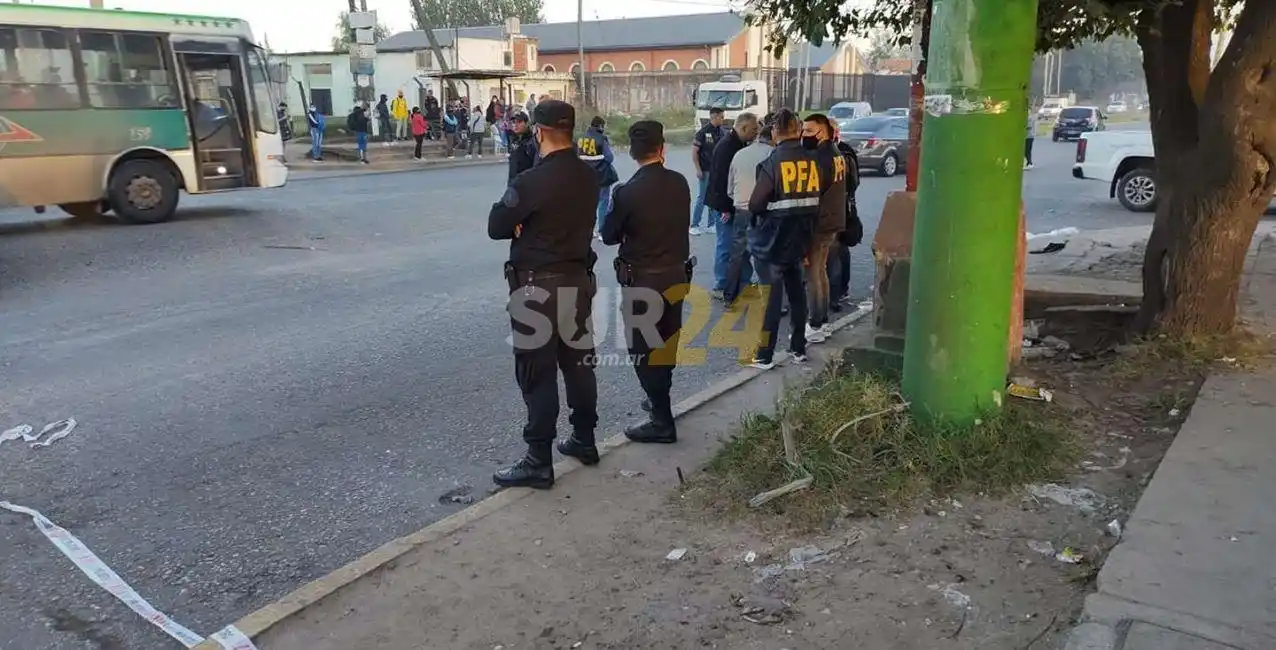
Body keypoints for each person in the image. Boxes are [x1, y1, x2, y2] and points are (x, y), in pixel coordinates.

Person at [487, 99, 600, 489]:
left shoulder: (531, 181)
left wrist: (521, 223)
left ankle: (538, 459)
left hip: (537, 289)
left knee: (537, 373)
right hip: (578, 282)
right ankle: (584, 439)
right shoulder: (588, 176)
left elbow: (497, 224)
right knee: (579, 365)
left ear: (539, 132)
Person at [600, 120, 692, 444]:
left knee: (643, 350)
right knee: (666, 344)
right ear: (662, 148)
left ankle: (661, 421)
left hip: (643, 282)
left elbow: (608, 235)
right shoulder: (680, 182)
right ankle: (658, 400)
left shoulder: (626, 192)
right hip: (676, 276)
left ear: (632, 152)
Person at [746, 108, 822, 369]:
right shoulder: (812, 161)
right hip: (800, 238)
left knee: (771, 298)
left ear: (776, 132)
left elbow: (756, 204)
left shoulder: (772, 163)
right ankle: (798, 347)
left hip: (772, 241)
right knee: (797, 294)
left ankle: (764, 355)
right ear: (798, 130)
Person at [800, 113, 848, 344]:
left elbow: (812, 195)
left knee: (813, 274)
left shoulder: (818, 158)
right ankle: (823, 320)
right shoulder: (836, 153)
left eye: (809, 131)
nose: (804, 134)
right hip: (833, 220)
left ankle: (816, 323)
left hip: (819, 223)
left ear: (822, 131)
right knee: (821, 271)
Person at [704, 112, 758, 300]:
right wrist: (725, 209)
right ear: (743, 127)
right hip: (724, 205)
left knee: (741, 247)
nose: (756, 133)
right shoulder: (727, 147)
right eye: (753, 129)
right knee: (726, 246)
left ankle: (744, 281)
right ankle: (721, 284)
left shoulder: (739, 144)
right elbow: (720, 181)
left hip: (734, 204)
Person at [725, 120, 773, 307]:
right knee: (766, 256)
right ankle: (771, 300)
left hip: (742, 210)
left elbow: (730, 189)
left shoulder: (739, 154)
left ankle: (730, 296)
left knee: (737, 254)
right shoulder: (772, 154)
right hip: (764, 211)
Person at [831, 131, 864, 310]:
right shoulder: (847, 151)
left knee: (835, 253)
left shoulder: (839, 154)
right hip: (845, 209)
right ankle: (840, 291)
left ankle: (836, 293)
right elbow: (855, 183)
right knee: (840, 252)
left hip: (836, 211)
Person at [577, 116, 619, 238]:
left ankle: (589, 230)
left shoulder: (581, 138)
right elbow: (609, 158)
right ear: (600, 126)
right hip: (601, 175)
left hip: (585, 175)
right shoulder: (601, 139)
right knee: (603, 202)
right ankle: (601, 230)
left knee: (588, 203)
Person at [689, 107, 727, 235]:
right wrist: (698, 169)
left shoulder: (722, 132)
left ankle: (711, 224)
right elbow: (694, 152)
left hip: (716, 170)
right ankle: (694, 225)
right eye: (721, 117)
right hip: (705, 170)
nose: (723, 119)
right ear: (714, 117)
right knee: (702, 197)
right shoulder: (703, 132)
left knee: (713, 197)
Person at [507, 112, 537, 181]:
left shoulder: (532, 142)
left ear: (527, 123)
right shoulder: (513, 140)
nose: (516, 125)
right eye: (514, 122)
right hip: (513, 182)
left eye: (519, 122)